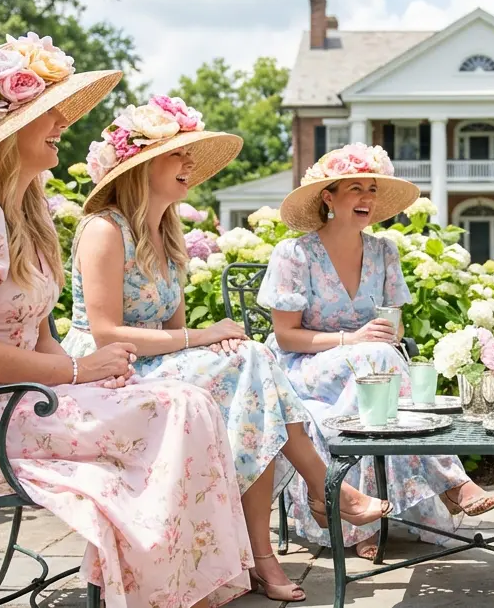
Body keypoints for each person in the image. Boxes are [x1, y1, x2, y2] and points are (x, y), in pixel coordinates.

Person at [0, 33, 252, 608]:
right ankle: (159, 589)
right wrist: (82, 372)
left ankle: (170, 585)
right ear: (8, 128)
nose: (63, 121)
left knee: (183, 398)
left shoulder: (25, 210)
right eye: (49, 112)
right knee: (176, 407)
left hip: (17, 394)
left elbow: (38, 334)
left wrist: (93, 375)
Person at [61, 99, 388, 602]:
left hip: (152, 363)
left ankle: (280, 538)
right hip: (106, 373)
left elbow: (173, 333)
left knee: (250, 377)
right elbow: (107, 333)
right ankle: (314, 506)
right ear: (142, 165)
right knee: (253, 367)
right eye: (179, 156)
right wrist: (207, 337)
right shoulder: (105, 230)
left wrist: (219, 342)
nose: (189, 166)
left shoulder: (166, 234)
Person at [259, 143, 494, 559]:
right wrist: (352, 340)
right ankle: (451, 482)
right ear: (328, 197)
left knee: (378, 378)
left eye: (372, 189)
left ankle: (361, 525)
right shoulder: (294, 254)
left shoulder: (384, 251)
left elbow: (395, 324)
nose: (367, 198)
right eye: (355, 188)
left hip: (367, 367)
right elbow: (285, 337)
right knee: (381, 362)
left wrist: (380, 336)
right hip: (302, 365)